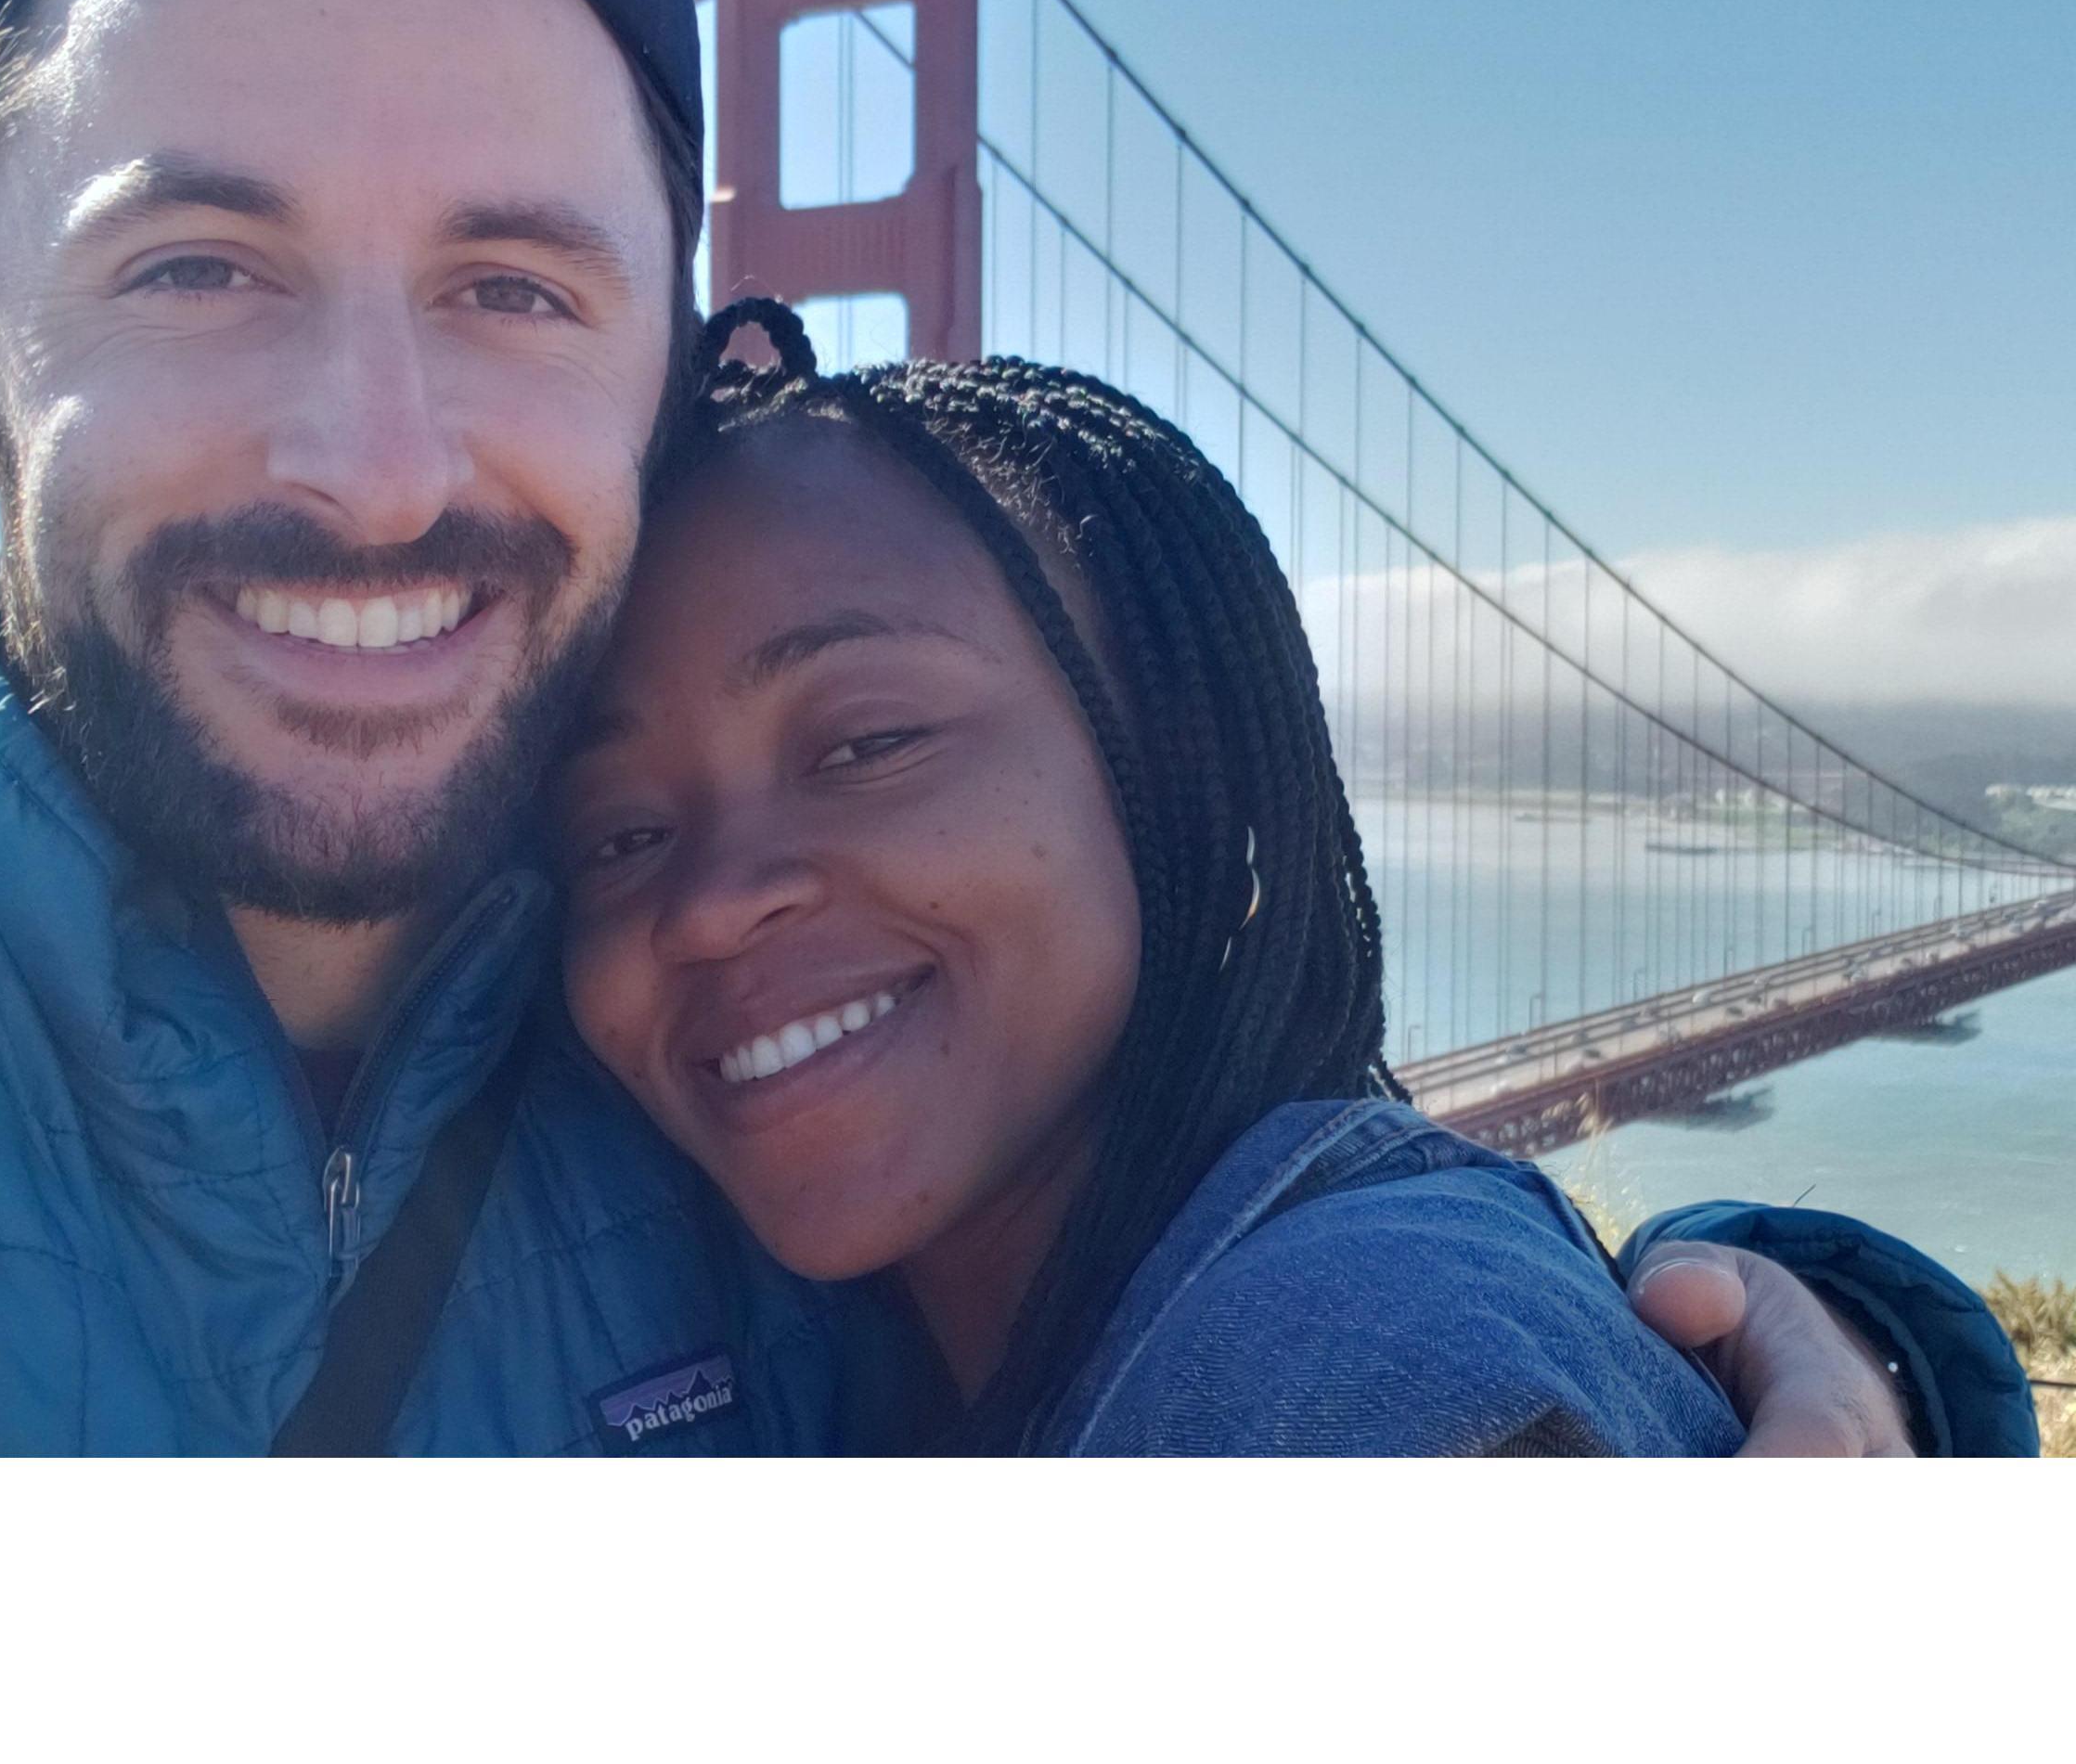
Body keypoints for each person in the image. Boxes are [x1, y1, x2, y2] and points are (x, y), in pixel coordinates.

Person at [0, 0, 2028, 1454]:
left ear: (649, 381)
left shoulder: (762, 1132)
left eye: (515, 285)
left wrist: (1782, 1351)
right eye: (197, 269)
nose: (370, 468)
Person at [557, 306, 2034, 1452]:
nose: (705, 904)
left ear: (1177, 778)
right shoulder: (901, 1345)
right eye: (617, 834)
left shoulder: (1351, 1370)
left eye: (868, 741)